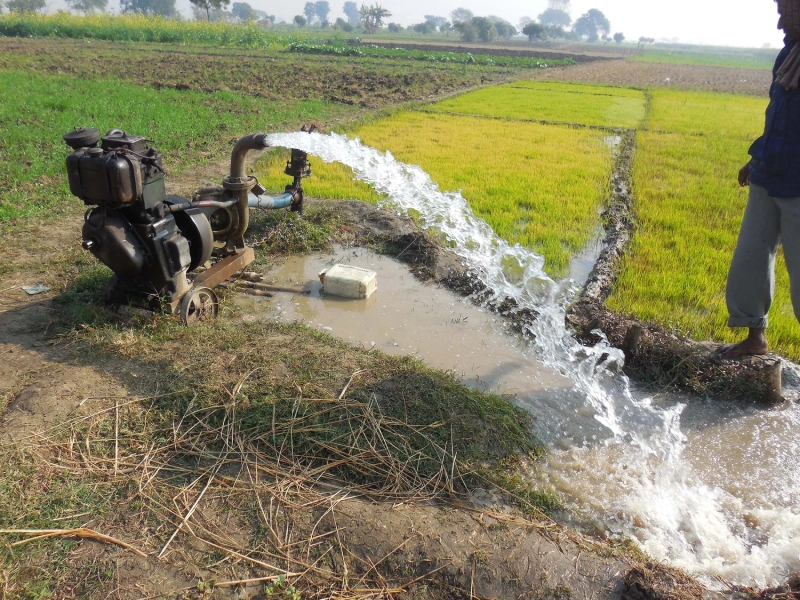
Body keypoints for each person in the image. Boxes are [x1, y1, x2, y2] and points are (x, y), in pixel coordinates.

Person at [718, 0, 800, 358]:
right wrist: (756, 157)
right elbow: (776, 113)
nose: (780, 22)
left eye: (788, 12)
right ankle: (754, 337)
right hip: (769, 174)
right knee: (751, 256)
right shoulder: (787, 57)